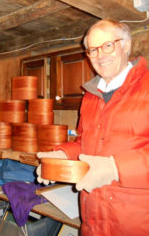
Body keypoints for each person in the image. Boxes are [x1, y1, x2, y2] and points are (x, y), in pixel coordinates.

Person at [37, 19, 149, 235]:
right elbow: (85, 143)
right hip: (93, 221)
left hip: (135, 224)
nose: (100, 56)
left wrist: (116, 168)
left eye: (108, 46)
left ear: (126, 45)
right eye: (93, 50)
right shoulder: (90, 96)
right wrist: (62, 155)